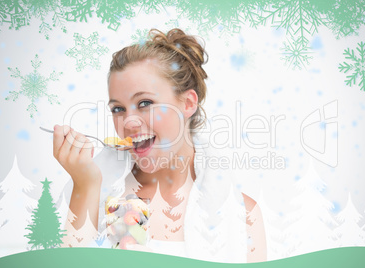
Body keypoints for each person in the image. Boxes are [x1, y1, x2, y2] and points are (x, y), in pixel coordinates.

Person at [53, 28, 266, 262]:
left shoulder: (243, 215)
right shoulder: (116, 201)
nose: (129, 121)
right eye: (118, 109)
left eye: (145, 103)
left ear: (187, 103)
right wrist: (86, 185)